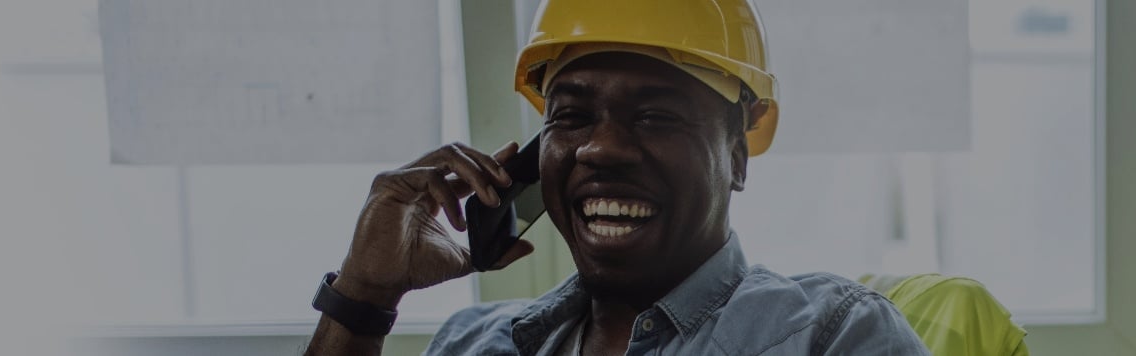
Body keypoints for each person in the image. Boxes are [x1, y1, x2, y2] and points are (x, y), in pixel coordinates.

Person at [302, 0, 930, 355]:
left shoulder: (834, 334)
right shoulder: (474, 344)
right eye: (570, 116)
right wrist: (363, 297)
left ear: (737, 153)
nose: (601, 148)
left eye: (656, 115)